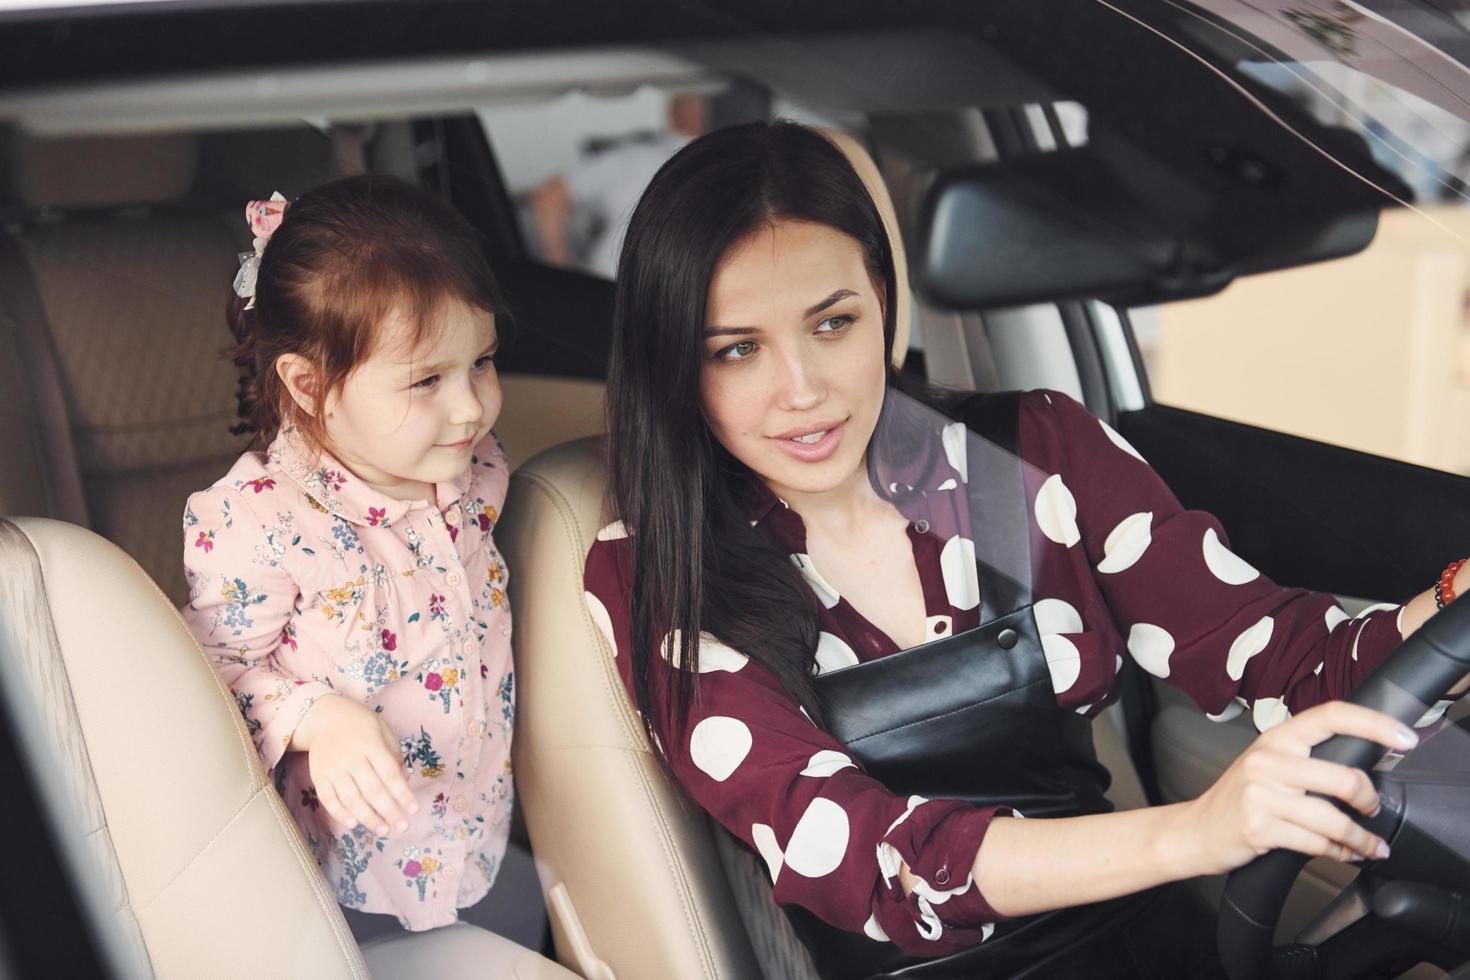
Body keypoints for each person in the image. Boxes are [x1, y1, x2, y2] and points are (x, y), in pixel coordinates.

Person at [581, 121, 1470, 978]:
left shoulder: (1036, 450)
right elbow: (875, 860)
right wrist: (1193, 833)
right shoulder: (656, 571)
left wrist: (1453, 604)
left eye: (832, 324)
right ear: (675, 364)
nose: (802, 392)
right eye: (737, 350)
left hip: (1154, 943)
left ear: (883, 305)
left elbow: (1292, 664)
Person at [180, 175, 515, 932]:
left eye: (482, 363)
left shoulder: (470, 467)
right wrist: (313, 716)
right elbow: (201, 678)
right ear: (308, 383)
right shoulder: (260, 521)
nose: (470, 407)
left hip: (473, 831)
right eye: (427, 379)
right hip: (343, 881)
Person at [530, 93, 707, 278]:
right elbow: (551, 195)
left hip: (609, 289)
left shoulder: (639, 159)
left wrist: (559, 271)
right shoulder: (644, 159)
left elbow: (549, 196)